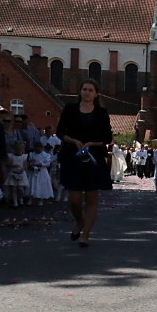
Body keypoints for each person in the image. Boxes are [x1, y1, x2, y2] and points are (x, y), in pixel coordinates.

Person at [56, 80, 113, 247]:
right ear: (80, 91)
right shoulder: (70, 109)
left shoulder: (101, 112)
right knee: (74, 199)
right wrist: (73, 140)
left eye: (91, 90)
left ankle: (85, 235)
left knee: (91, 197)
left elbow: (107, 138)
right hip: (72, 155)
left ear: (96, 94)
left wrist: (92, 144)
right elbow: (60, 132)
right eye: (84, 89)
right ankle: (79, 221)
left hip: (93, 158)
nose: (87, 92)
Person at [4, 141, 29, 208]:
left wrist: (22, 169)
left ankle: (21, 199)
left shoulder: (24, 156)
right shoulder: (11, 156)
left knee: (21, 188)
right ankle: (15, 202)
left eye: (20, 149)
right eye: (17, 149)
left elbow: (25, 165)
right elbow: (7, 164)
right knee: (14, 188)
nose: (19, 150)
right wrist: (13, 165)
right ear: (14, 149)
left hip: (21, 173)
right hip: (13, 173)